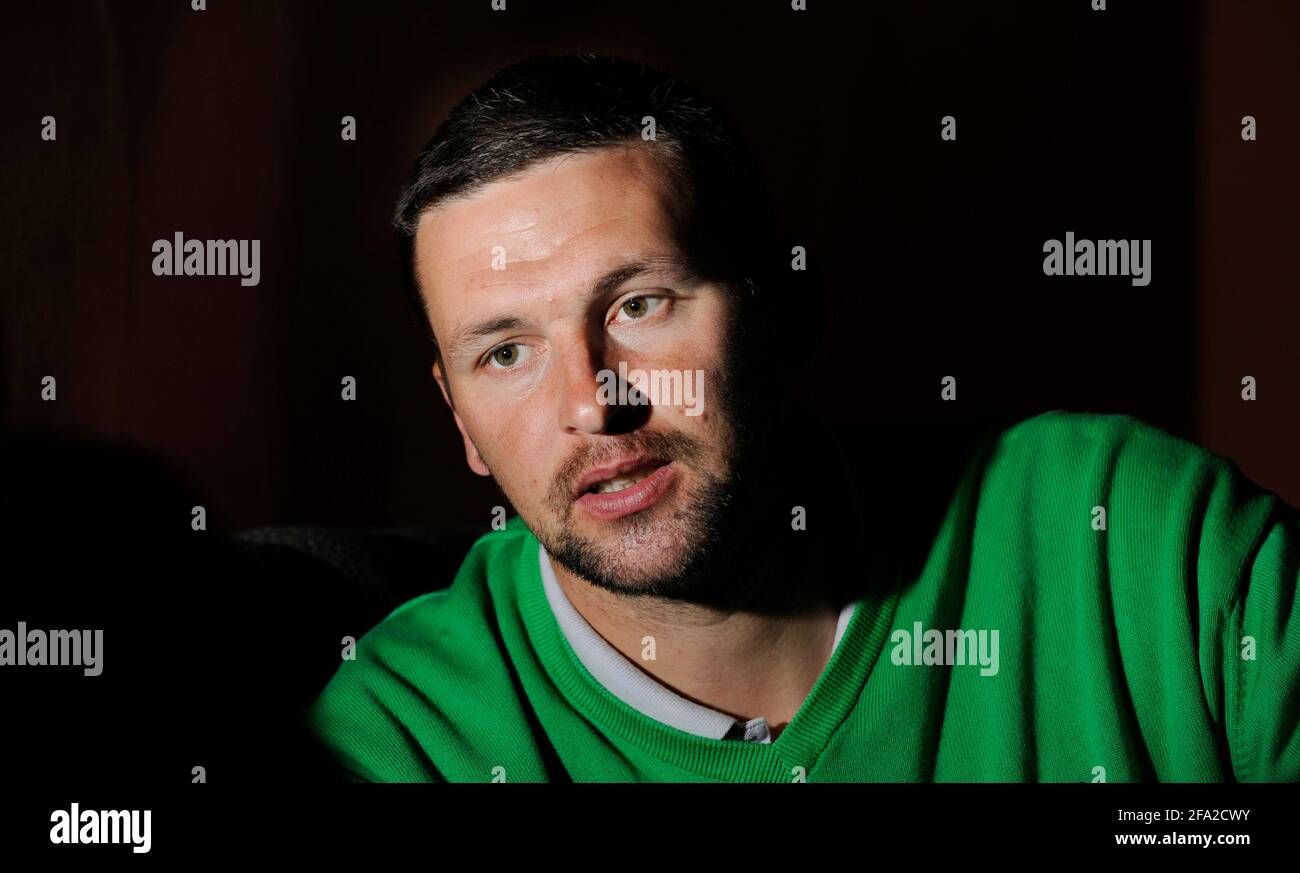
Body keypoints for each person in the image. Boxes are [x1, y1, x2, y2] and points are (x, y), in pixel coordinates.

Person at [308, 54, 1299, 782]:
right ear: (461, 423)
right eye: (506, 353)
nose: (590, 403)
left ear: (786, 306)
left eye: (640, 304)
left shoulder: (1145, 550)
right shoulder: (404, 743)